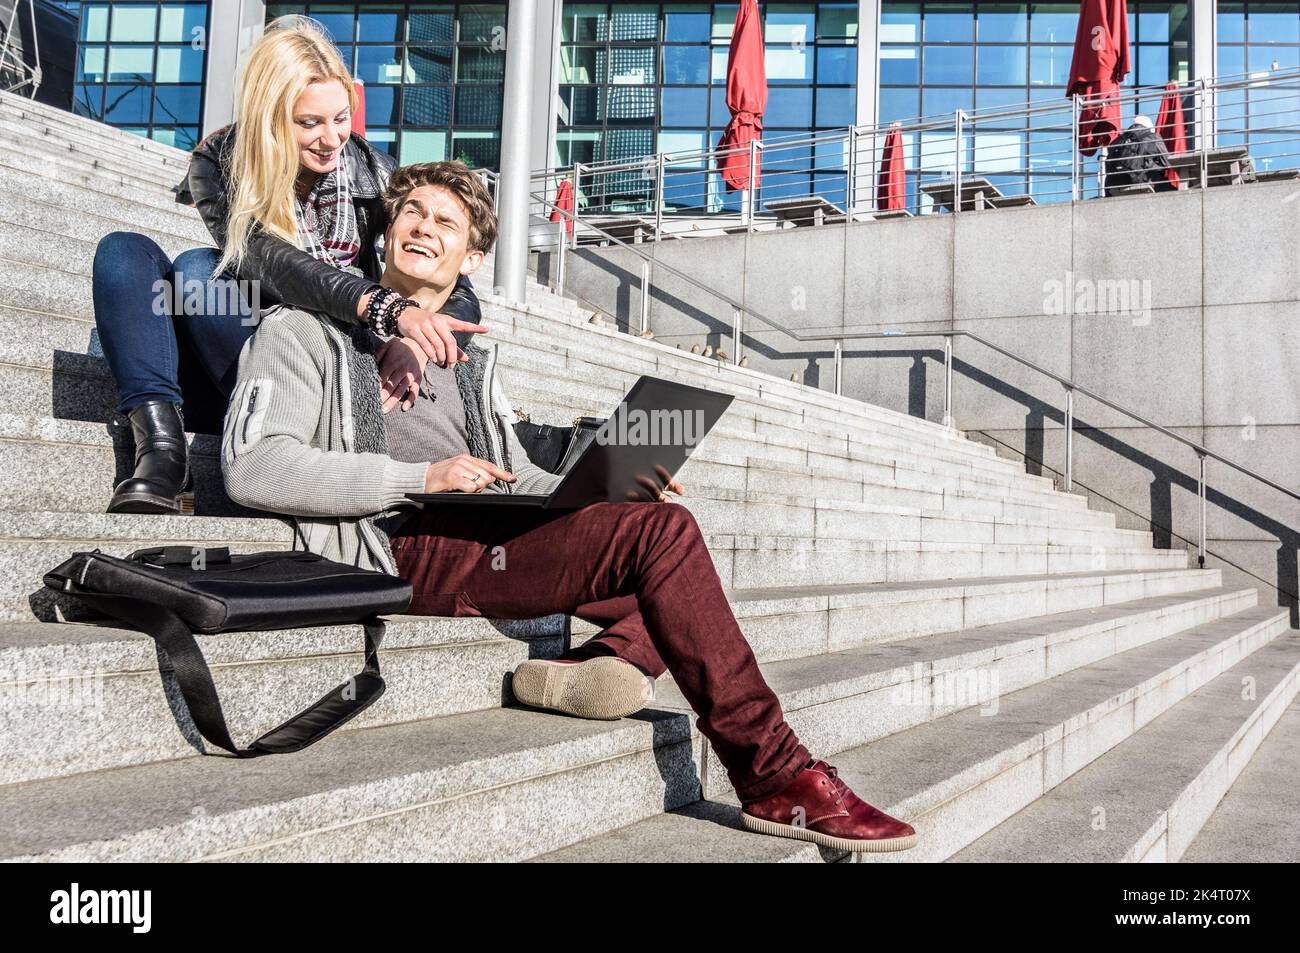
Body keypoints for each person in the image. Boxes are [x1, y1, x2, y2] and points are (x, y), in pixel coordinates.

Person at [220, 159, 919, 853]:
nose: (422, 228)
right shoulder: (305, 329)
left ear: (474, 255)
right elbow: (252, 467)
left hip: (483, 525)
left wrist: (608, 479)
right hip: (398, 538)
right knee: (665, 542)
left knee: (655, 537)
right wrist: (419, 476)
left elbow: (513, 474)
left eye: (444, 221)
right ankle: (774, 772)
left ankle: (595, 664)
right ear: (386, 231)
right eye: (411, 213)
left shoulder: (471, 363)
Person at [92, 15, 484, 515]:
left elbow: (461, 291)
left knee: (195, 271)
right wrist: (382, 305)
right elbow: (268, 261)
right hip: (254, 340)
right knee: (125, 252)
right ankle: (162, 447)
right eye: (309, 123)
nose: (331, 138)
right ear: (271, 117)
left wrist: (412, 339)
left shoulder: (377, 173)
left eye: (341, 117)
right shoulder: (222, 161)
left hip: (330, 360)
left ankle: (238, 432)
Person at [1103, 115, 1175, 195]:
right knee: (1175, 192)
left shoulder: (1117, 141)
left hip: (1114, 185)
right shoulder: (1152, 137)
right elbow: (1167, 162)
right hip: (1142, 181)